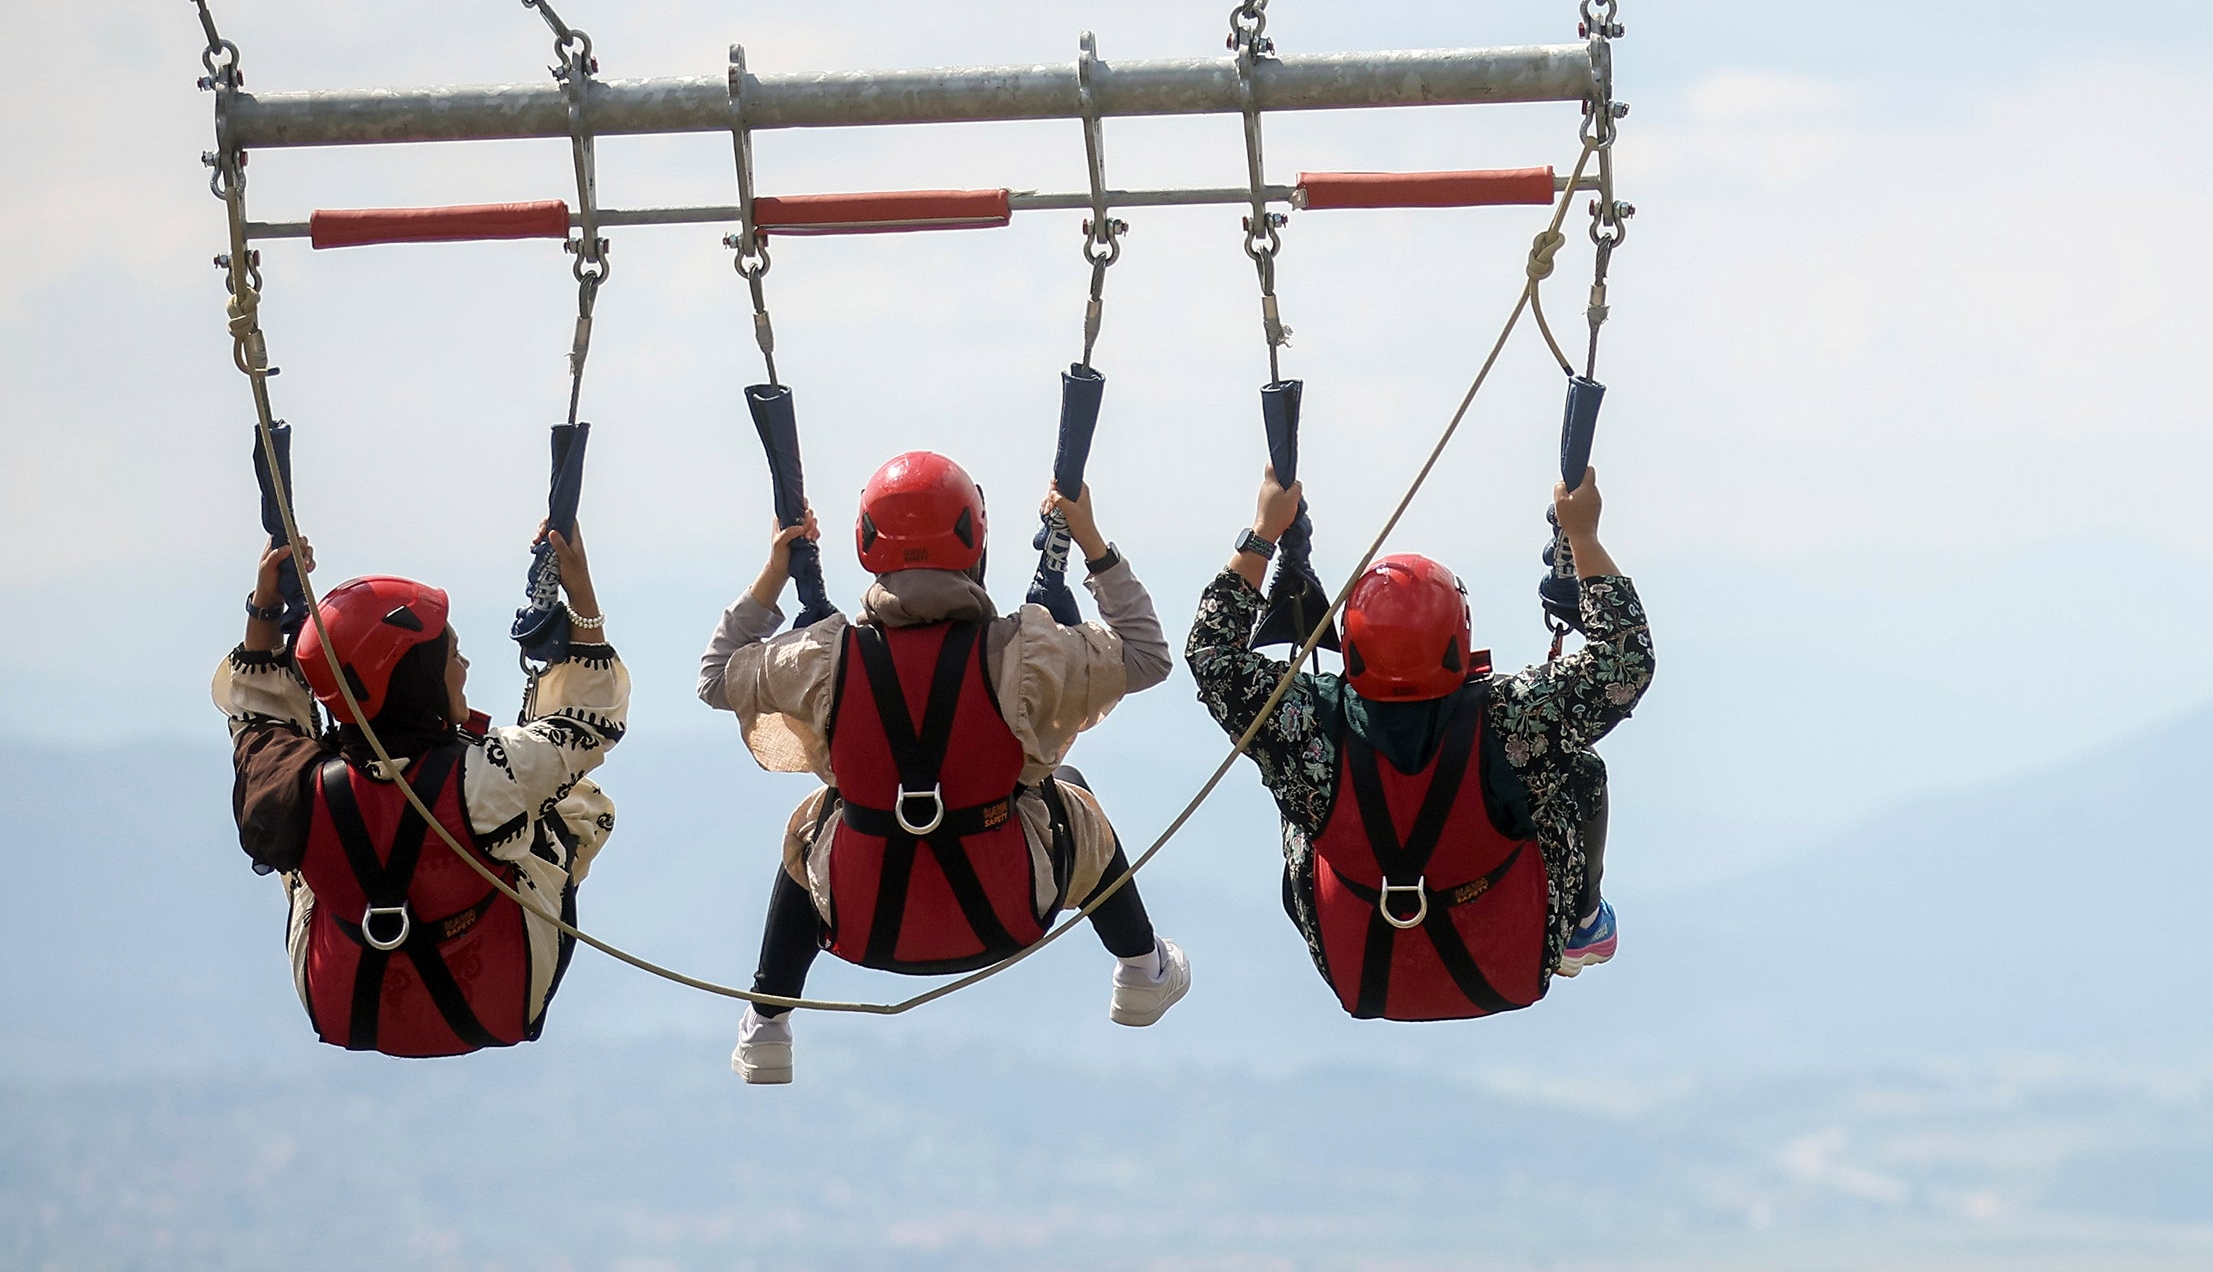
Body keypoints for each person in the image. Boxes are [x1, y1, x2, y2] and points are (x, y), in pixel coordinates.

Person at [702, 450, 1187, 1084]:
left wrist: (774, 571)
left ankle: (767, 1021)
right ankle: (1140, 969)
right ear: (973, 542)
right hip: (1004, 909)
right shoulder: (1027, 654)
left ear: (868, 545)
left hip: (865, 918)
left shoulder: (824, 659)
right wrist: (1091, 540)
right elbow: (1148, 655)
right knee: (1070, 793)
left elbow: (716, 677)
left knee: (814, 823)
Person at [1188, 466, 1649, 1019]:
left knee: (1297, 794)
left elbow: (1211, 656)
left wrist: (1263, 533)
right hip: (1508, 963)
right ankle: (1584, 921)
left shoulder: (1306, 727)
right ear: (1459, 640)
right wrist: (1584, 537)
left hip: (1361, 970)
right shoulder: (1512, 723)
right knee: (1576, 769)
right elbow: (1624, 661)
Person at [216, 523, 626, 1055]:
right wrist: (581, 598)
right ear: (415, 676)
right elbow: (587, 719)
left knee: (290, 819)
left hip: (345, 1002)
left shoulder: (295, 783)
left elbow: (259, 716)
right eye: (449, 655)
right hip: (493, 997)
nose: (464, 666)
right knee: (571, 802)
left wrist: (266, 609)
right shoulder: (490, 779)